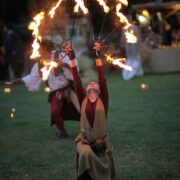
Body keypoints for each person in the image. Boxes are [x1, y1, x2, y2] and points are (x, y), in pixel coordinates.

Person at [65, 42, 115, 180]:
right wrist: (72, 58)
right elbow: (76, 82)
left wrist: (98, 56)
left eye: (95, 89)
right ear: (87, 92)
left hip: (101, 139)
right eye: (89, 89)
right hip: (85, 140)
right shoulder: (83, 101)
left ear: (99, 92)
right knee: (86, 154)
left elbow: (102, 80)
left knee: (101, 154)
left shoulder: (103, 102)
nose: (92, 89)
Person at [12, 47, 80, 139]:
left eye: (41, 51)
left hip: (70, 89)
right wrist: (21, 81)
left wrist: (63, 65)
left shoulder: (61, 55)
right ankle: (62, 132)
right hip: (56, 92)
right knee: (55, 112)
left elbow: (74, 69)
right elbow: (33, 77)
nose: (39, 54)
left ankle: (90, 129)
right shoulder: (40, 64)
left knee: (84, 109)